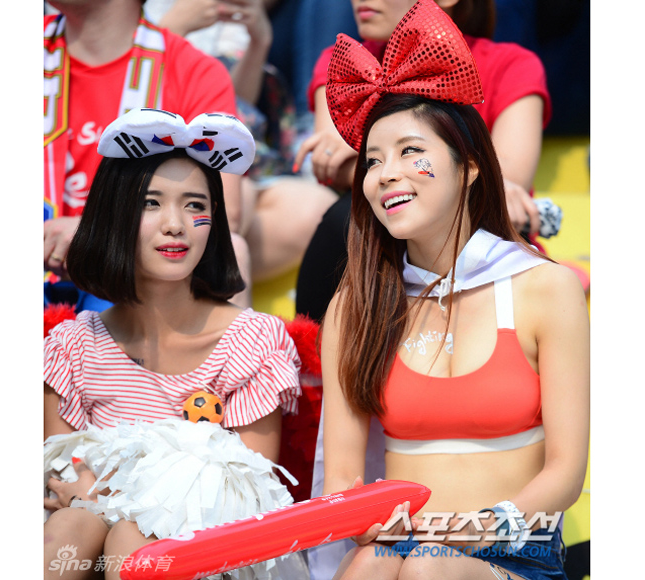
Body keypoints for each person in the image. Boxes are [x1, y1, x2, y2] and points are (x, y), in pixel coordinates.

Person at [319, 1, 589, 579]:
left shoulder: (545, 288)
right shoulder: (355, 305)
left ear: (469, 166)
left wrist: (461, 533)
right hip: (401, 547)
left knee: (428, 569)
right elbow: (342, 480)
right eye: (373, 161)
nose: (386, 173)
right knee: (370, 569)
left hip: (517, 549)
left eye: (411, 152)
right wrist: (382, 529)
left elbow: (566, 473)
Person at [43, 109, 308, 580]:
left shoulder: (253, 343)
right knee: (70, 527)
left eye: (194, 205)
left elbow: (247, 491)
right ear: (114, 214)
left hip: (210, 554)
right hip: (83, 542)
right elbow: (61, 478)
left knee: (134, 537)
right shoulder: (72, 348)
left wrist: (113, 500)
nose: (175, 224)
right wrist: (95, 500)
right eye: (151, 203)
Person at [294, 0, 551, 322]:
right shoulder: (347, 62)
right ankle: (317, 349)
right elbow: (331, 163)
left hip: (479, 239)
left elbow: (505, 181)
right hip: (382, 248)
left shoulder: (512, 63)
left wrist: (358, 153)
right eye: (374, 160)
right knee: (346, 218)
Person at [43, 0, 251, 309]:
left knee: (233, 248)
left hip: (127, 273)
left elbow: (224, 216)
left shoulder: (192, 70)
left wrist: (95, 231)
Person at [144, 0, 339, 283]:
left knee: (320, 211)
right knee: (229, 215)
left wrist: (259, 41)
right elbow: (130, 99)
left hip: (240, 157)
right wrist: (173, 29)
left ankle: (203, 286)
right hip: (168, 154)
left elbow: (233, 107)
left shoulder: (227, 19)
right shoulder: (143, 12)